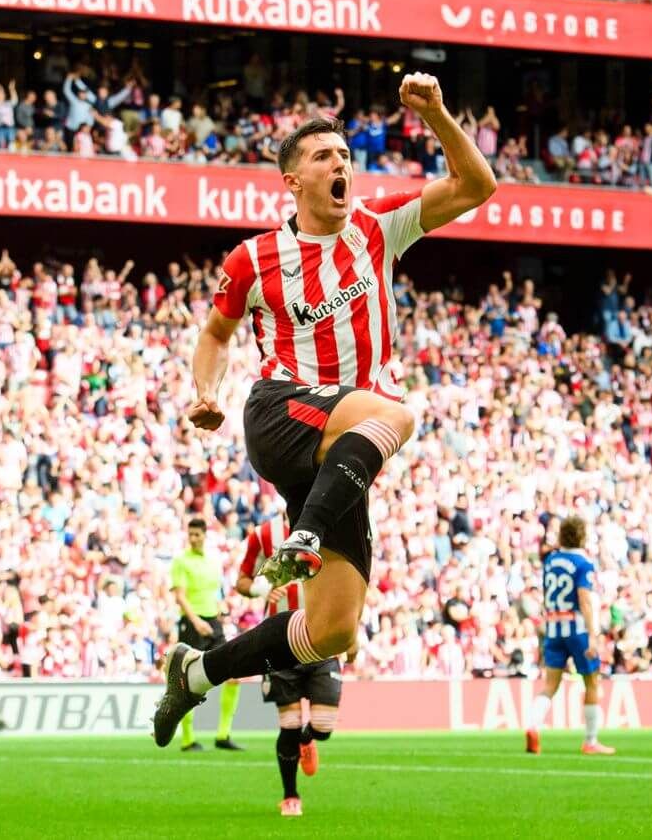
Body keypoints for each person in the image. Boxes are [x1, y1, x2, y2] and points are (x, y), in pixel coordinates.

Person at [152, 72, 496, 746]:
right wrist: (205, 390)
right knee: (398, 414)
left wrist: (439, 116)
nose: (340, 164)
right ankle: (302, 538)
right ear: (293, 182)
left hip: (342, 446)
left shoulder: (377, 226)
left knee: (332, 630)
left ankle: (194, 674)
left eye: (344, 156)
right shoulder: (257, 258)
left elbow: (478, 186)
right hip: (282, 412)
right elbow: (216, 336)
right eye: (323, 157)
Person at [236, 518, 343, 818]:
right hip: (280, 640)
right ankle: (290, 795)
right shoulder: (264, 533)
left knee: (323, 725)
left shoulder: (331, 525)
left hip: (322, 635)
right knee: (289, 722)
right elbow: (242, 580)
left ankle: (308, 741)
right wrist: (261, 590)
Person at [523, 515, 615, 756]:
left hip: (553, 627)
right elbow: (585, 598)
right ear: (582, 536)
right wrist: (593, 634)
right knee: (591, 680)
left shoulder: (551, 561)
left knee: (550, 685)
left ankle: (533, 725)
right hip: (577, 628)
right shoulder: (583, 563)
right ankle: (591, 741)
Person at [167, 517, 243, 753]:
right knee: (187, 681)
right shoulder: (181, 561)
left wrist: (220, 611)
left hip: (213, 621)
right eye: (190, 534)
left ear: (204, 535)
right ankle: (188, 739)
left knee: (233, 674)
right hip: (192, 622)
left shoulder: (213, 561)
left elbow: (215, 591)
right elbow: (180, 596)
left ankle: (223, 734)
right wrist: (196, 621)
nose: (193, 538)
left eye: (197, 534)